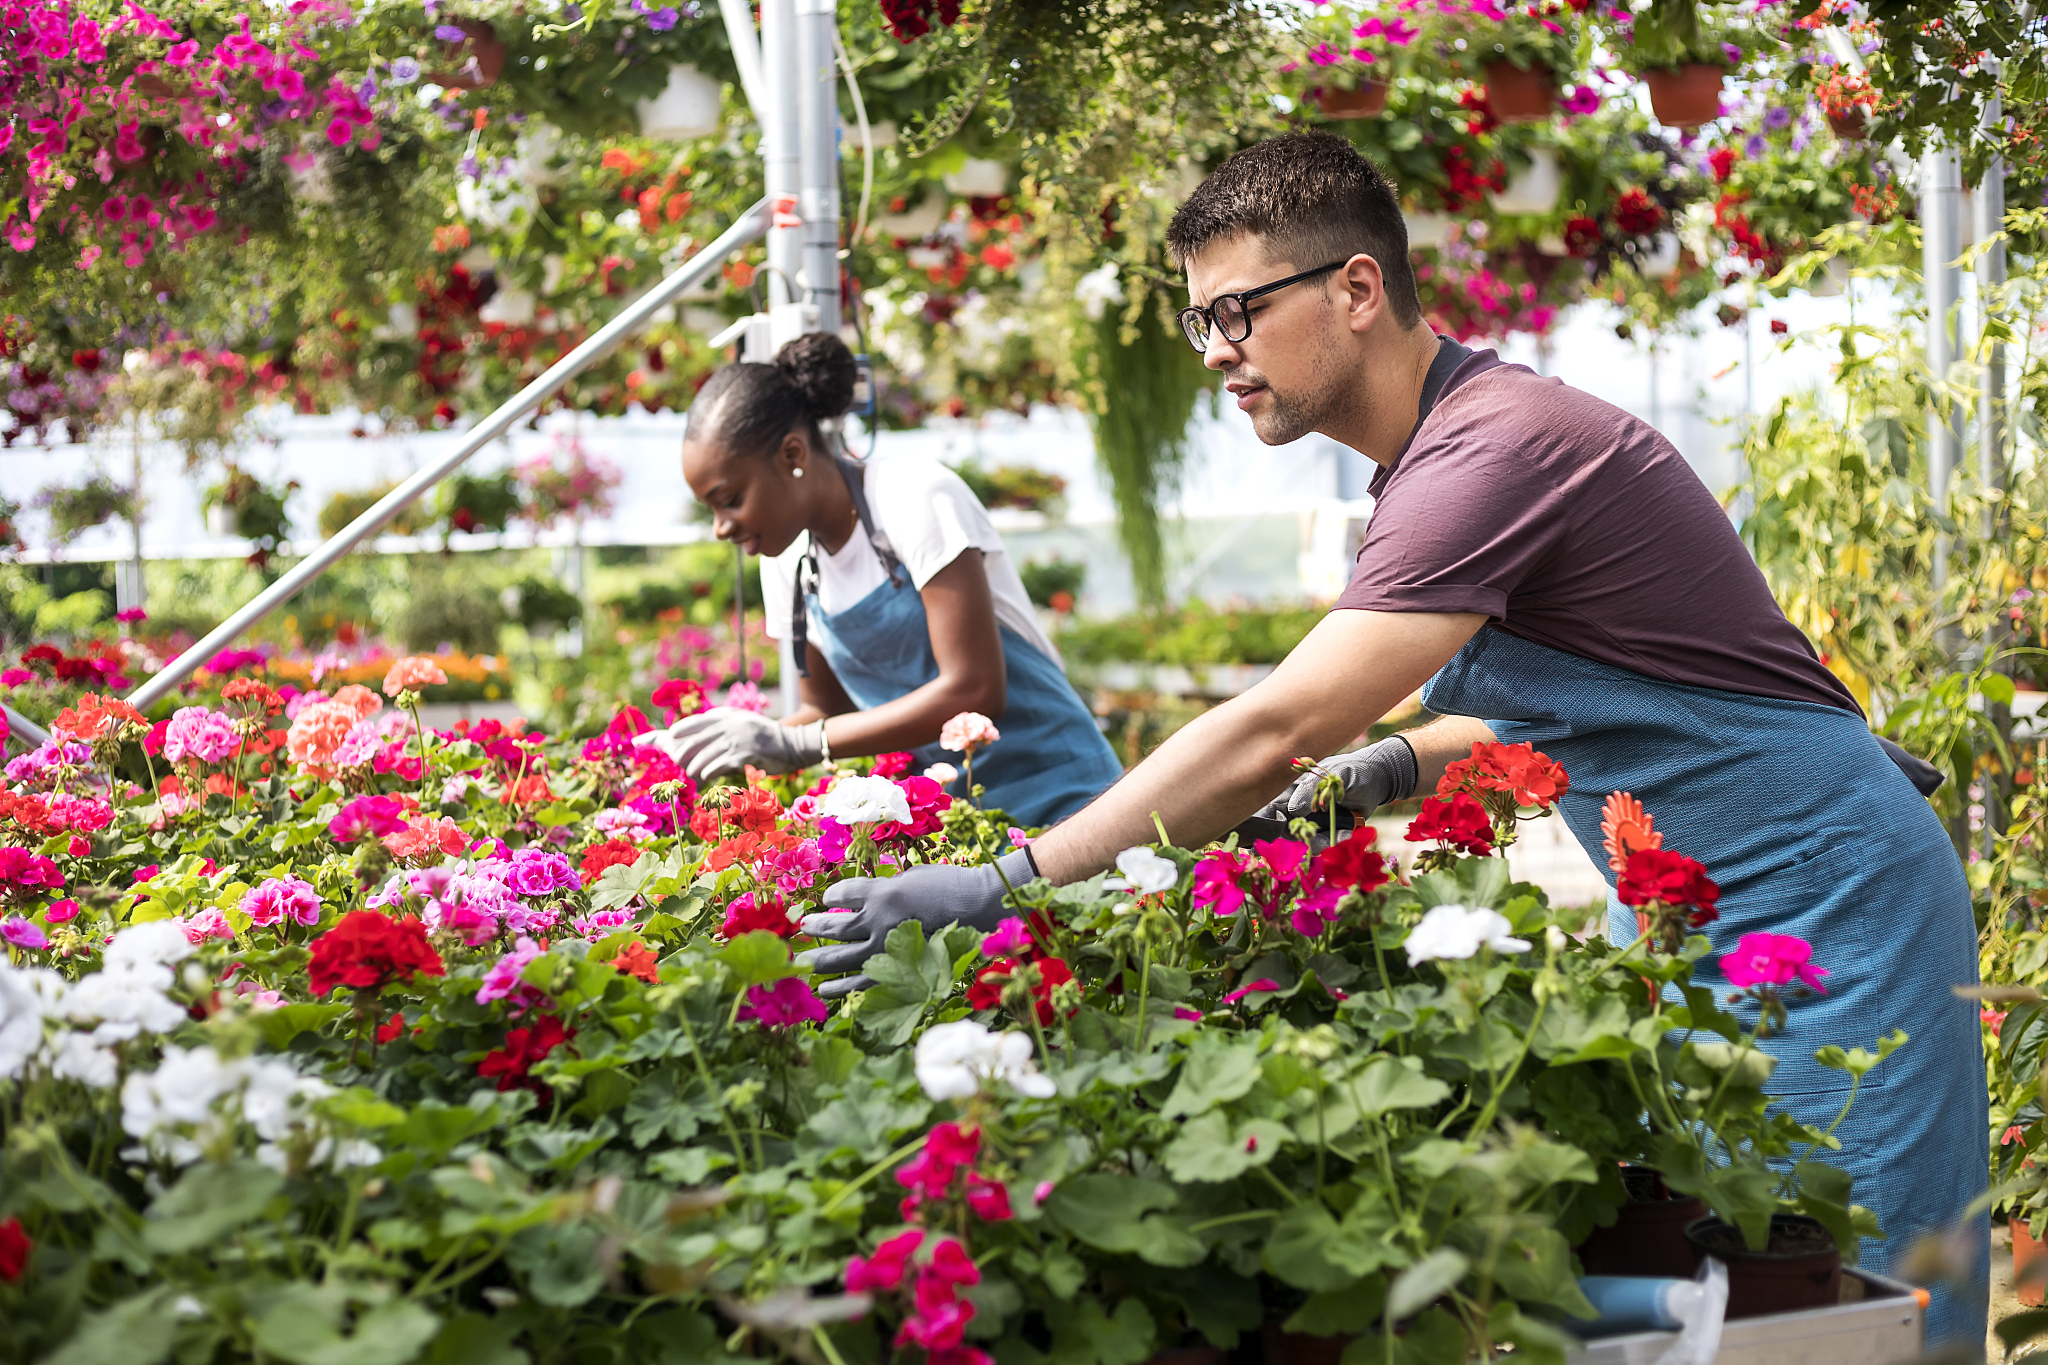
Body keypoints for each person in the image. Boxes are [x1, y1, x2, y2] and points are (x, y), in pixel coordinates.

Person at [801, 132, 1987, 1343]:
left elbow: (1272, 725)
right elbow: (1582, 696)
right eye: (1198, 323)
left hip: (1820, 903)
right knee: (1728, 1300)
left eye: (1237, 314)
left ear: (1355, 290)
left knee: (1845, 1301)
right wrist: (1392, 765)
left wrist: (1010, 880)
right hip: (1689, 901)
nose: (1216, 353)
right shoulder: (1441, 454)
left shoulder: (1492, 449)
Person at [643, 332, 1124, 827]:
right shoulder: (786, 561)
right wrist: (714, 746)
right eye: (711, 509)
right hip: (954, 821)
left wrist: (795, 743)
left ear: (792, 456)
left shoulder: (912, 496)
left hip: (1068, 794)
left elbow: (976, 690)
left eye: (730, 499)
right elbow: (824, 712)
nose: (721, 527)